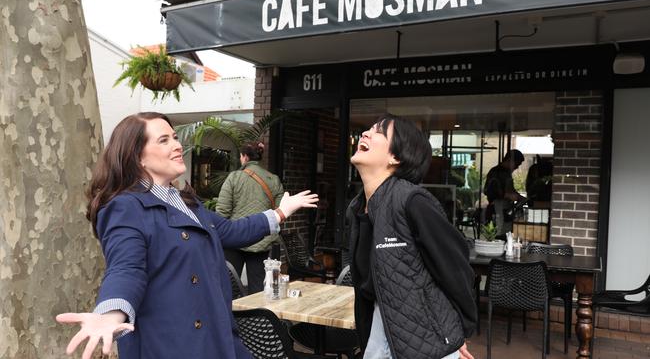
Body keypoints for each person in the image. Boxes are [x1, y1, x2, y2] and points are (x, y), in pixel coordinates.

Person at [55, 112, 318, 359]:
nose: (177, 145)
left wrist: (282, 212)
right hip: (172, 345)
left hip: (216, 337)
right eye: (164, 140)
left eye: (175, 137)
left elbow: (232, 231)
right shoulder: (125, 207)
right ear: (138, 158)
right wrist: (110, 314)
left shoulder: (186, 202)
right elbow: (126, 268)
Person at [347, 114, 477, 359]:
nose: (365, 133)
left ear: (396, 157)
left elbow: (456, 268)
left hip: (428, 342)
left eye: (377, 132)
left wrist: (458, 331)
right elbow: (369, 287)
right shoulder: (357, 208)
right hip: (382, 331)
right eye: (368, 129)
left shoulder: (412, 201)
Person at [215, 141, 284, 293]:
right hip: (261, 239)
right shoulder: (274, 179)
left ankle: (232, 316)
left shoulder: (234, 178)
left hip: (234, 240)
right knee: (258, 287)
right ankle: (256, 316)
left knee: (228, 286)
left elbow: (222, 212)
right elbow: (279, 211)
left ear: (244, 157)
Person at [484, 149, 526, 235]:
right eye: (517, 164)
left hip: (505, 210)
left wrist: (518, 197)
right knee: (498, 236)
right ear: (510, 160)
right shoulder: (496, 172)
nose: (517, 167)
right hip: (497, 210)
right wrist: (509, 195)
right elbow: (488, 190)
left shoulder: (506, 173)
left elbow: (511, 190)